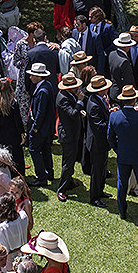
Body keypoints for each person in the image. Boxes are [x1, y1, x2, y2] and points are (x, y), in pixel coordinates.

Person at [107, 84, 138, 221]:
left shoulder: (114, 116)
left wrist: (118, 149)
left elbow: (110, 138)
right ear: (134, 100)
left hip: (124, 155)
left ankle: (122, 211)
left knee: (122, 184)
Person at [54, 70, 86, 201]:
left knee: (70, 160)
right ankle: (61, 189)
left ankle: (69, 181)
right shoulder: (62, 98)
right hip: (68, 135)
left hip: (73, 132)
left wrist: (79, 109)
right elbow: (72, 113)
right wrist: (79, 102)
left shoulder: (68, 95)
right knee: (68, 162)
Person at [84, 74, 113, 208]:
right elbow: (100, 125)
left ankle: (100, 191)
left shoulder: (99, 99)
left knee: (103, 168)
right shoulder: (94, 105)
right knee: (97, 170)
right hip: (97, 142)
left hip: (102, 142)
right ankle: (94, 197)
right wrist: (113, 120)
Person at [26, 63, 56, 187]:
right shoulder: (46, 85)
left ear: (39, 76)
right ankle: (49, 171)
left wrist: (35, 128)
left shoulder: (43, 90)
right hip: (47, 127)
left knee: (34, 149)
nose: (30, 77)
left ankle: (41, 177)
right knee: (45, 148)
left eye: (32, 75)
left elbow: (40, 112)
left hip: (41, 128)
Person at [0, 192, 29, 257]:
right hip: (25, 253)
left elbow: (4, 248)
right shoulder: (24, 216)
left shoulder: (2, 227)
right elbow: (17, 231)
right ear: (15, 205)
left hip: (11, 258)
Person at [107, 32, 138, 97]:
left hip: (113, 90)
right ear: (127, 46)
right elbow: (128, 80)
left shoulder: (112, 54)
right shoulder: (124, 61)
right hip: (122, 93)